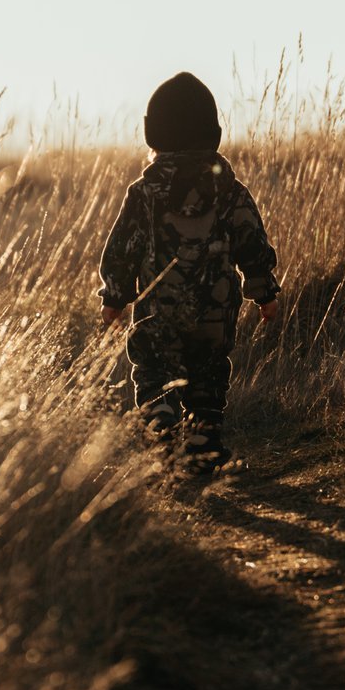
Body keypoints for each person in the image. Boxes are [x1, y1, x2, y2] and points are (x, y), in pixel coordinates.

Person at [97, 72, 281, 474]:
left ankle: (161, 421)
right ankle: (202, 441)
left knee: (152, 365)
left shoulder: (144, 193)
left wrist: (114, 297)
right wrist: (264, 290)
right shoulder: (230, 189)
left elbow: (122, 249)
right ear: (213, 133)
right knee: (209, 374)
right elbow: (252, 241)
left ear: (152, 133)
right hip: (215, 310)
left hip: (159, 311)